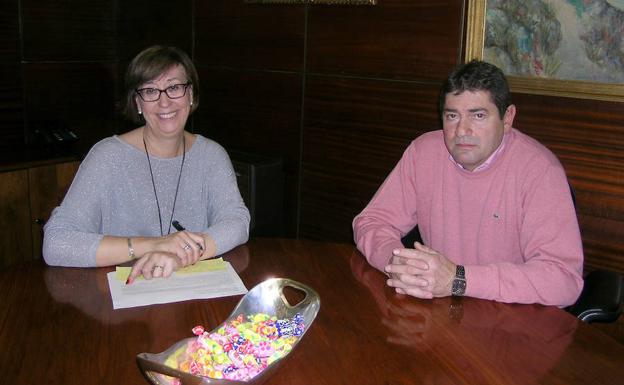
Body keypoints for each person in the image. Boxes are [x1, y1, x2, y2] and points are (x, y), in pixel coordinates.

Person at [352, 60, 583, 307]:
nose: (462, 130)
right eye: (452, 116)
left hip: (509, 320)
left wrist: (459, 279)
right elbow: (371, 222)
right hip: (440, 314)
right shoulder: (424, 152)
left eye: (478, 116)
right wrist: (397, 262)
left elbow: (563, 281)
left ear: (507, 118)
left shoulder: (540, 171)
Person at [43, 45, 250, 283]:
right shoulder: (107, 156)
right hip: (125, 302)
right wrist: (155, 245)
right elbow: (56, 242)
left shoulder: (212, 155)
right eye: (150, 91)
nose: (164, 102)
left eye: (174, 87)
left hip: (193, 297)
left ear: (191, 95)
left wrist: (179, 253)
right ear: (138, 102)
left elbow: (236, 221)